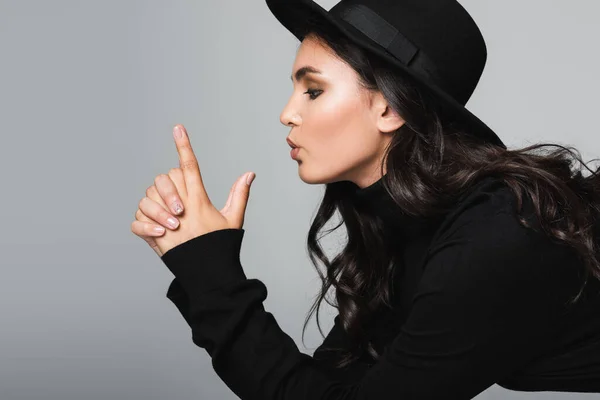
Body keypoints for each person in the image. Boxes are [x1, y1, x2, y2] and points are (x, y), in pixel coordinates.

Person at [131, 0, 600, 398]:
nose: (287, 113)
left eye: (312, 90)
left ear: (389, 108)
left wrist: (215, 281)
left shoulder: (500, 232)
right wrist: (204, 267)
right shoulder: (406, 235)